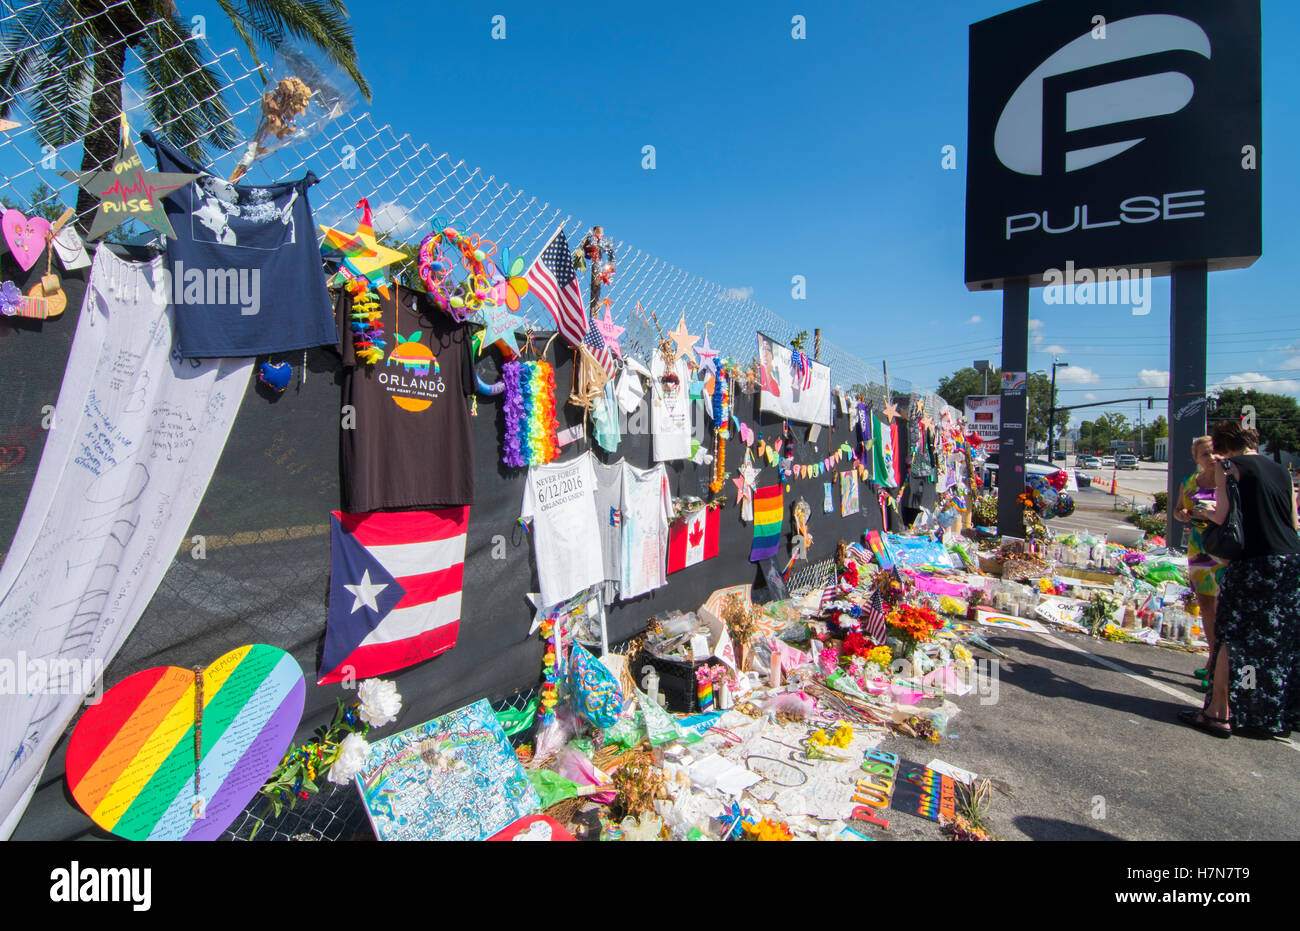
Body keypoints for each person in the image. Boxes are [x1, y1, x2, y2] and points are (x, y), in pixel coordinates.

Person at [1179, 421, 1300, 739]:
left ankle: (1218, 713)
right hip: (1289, 559)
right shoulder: (1281, 472)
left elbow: (1223, 516)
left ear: (1222, 446)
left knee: (1231, 636)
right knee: (1276, 640)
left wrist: (1203, 512)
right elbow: (1293, 520)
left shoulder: (1229, 466)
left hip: (1252, 562)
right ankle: (1270, 715)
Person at [1172, 436, 1227, 689]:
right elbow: (1177, 510)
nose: (1211, 457)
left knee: (1227, 608)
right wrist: (1182, 514)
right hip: (1200, 549)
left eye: (1215, 452)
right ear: (1196, 458)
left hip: (1227, 550)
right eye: (1205, 453)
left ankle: (1222, 668)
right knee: (1207, 607)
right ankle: (1212, 660)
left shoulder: (1229, 480)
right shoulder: (1189, 482)